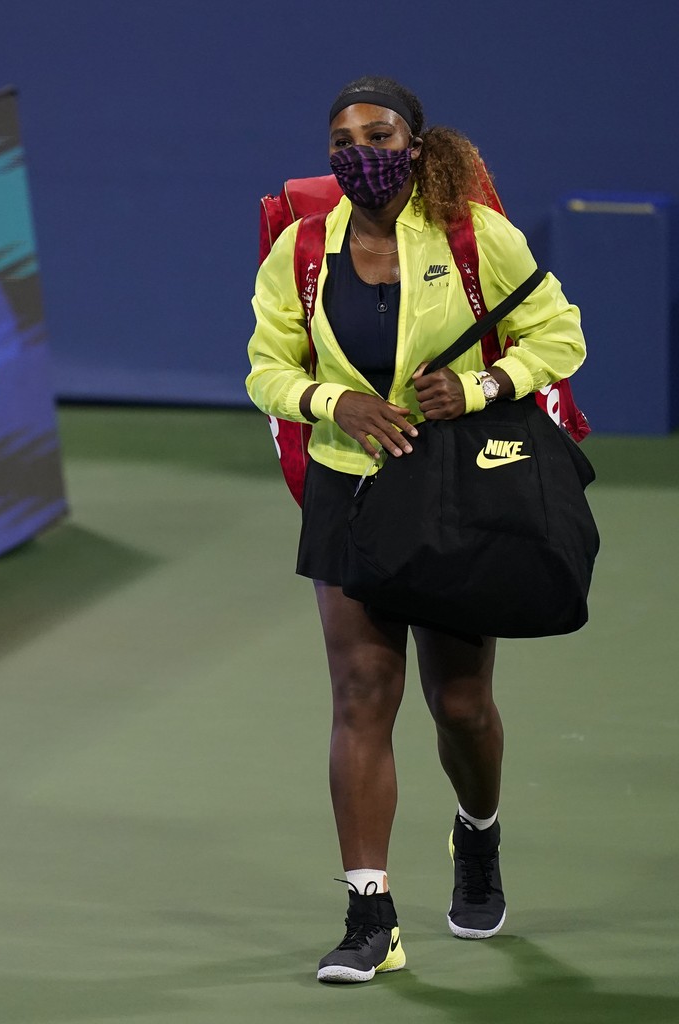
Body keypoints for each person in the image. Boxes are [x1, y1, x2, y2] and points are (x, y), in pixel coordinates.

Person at [245, 76, 586, 984]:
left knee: (461, 705)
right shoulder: (301, 251)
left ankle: (476, 838)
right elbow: (266, 368)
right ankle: (370, 913)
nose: (361, 151)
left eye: (380, 133)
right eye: (344, 138)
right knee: (362, 690)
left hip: (449, 494)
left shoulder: (474, 236)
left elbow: (561, 337)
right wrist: (333, 401)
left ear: (415, 142)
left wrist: (478, 388)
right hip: (348, 488)